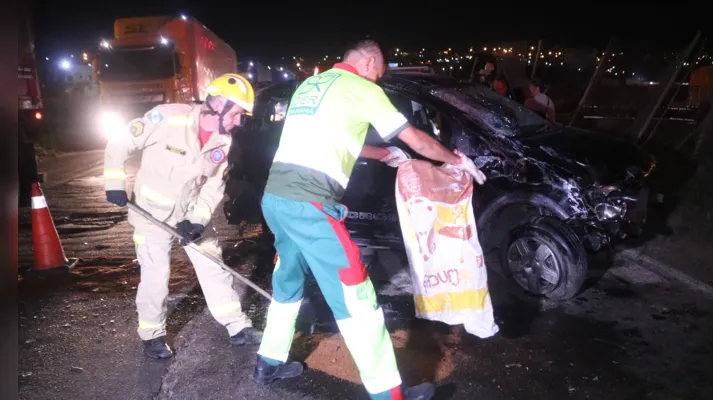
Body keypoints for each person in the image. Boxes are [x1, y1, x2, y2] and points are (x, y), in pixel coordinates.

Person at [252, 39, 486, 400]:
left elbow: (337, 139)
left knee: (287, 283)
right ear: (368, 62)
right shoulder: (361, 88)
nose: (377, 82)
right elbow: (418, 141)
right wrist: (456, 161)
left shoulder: (310, 86)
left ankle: (268, 361)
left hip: (276, 200)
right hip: (310, 206)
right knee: (357, 297)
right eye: (378, 74)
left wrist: (382, 154)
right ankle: (388, 393)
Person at [103, 74, 261, 359]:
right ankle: (152, 336)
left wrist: (198, 220)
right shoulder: (167, 118)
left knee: (213, 266)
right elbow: (120, 143)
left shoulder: (223, 142)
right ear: (219, 104)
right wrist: (114, 183)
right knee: (156, 275)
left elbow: (214, 186)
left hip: (189, 215)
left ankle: (237, 327)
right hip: (150, 214)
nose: (238, 122)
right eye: (236, 113)